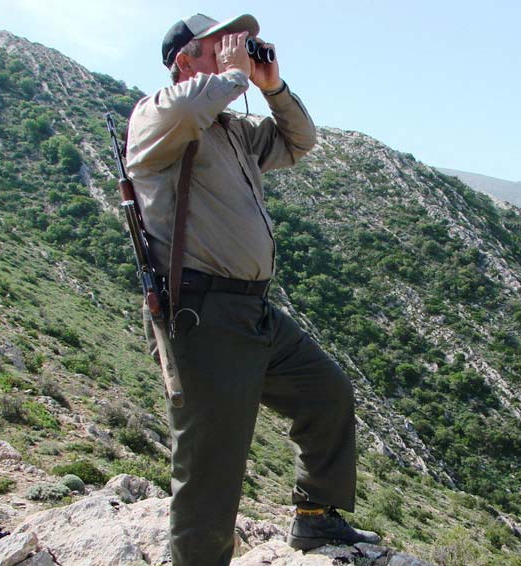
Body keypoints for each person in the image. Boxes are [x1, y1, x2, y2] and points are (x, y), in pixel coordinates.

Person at [125, 13, 380, 565]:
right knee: (212, 465)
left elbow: (301, 140)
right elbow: (192, 106)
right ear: (185, 61)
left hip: (253, 309)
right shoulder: (156, 115)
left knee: (326, 393)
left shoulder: (233, 131)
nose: (232, 48)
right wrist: (234, 75)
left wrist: (272, 87)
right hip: (200, 314)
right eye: (218, 42)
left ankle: (314, 518)